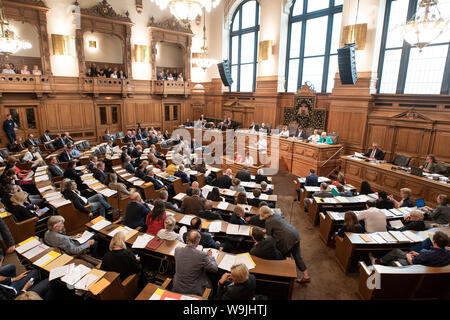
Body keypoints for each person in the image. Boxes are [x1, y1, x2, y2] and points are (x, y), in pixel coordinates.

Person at [259, 206, 310, 283]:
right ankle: (306, 276)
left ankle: (285, 275)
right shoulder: (275, 215)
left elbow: (269, 236)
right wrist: (267, 230)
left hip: (287, 239)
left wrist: (263, 235)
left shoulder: (268, 221)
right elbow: (277, 227)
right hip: (295, 234)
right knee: (298, 256)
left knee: (282, 253)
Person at [172, 230, 218, 296]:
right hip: (193, 290)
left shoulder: (177, 250)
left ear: (187, 239)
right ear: (198, 241)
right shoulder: (201, 255)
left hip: (177, 286)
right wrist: (210, 257)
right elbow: (214, 269)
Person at [370, 231, 450, 267]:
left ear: (434, 241)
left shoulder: (426, 253)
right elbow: (430, 257)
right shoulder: (447, 252)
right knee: (396, 251)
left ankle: (380, 265)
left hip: (415, 267)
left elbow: (412, 262)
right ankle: (380, 261)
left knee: (397, 258)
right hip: (424, 263)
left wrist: (408, 255)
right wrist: (418, 254)